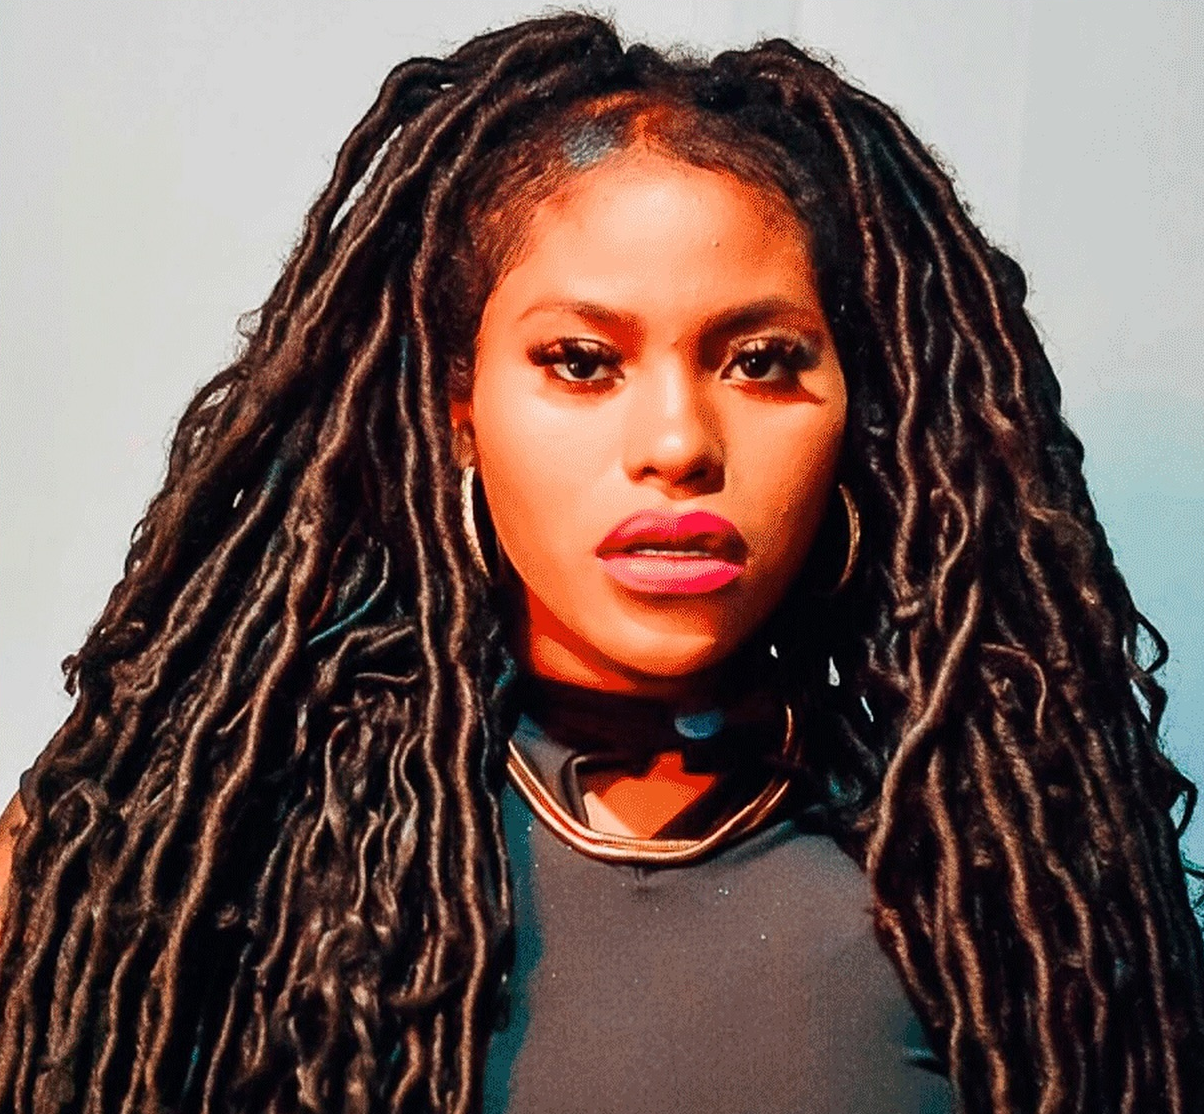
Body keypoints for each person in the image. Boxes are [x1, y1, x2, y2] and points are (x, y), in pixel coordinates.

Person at [1, 11, 1201, 1113]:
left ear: (860, 415)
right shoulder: (163, 867)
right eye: (581, 362)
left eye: (761, 361)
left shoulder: (1022, 907)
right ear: (457, 410)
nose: (677, 444)